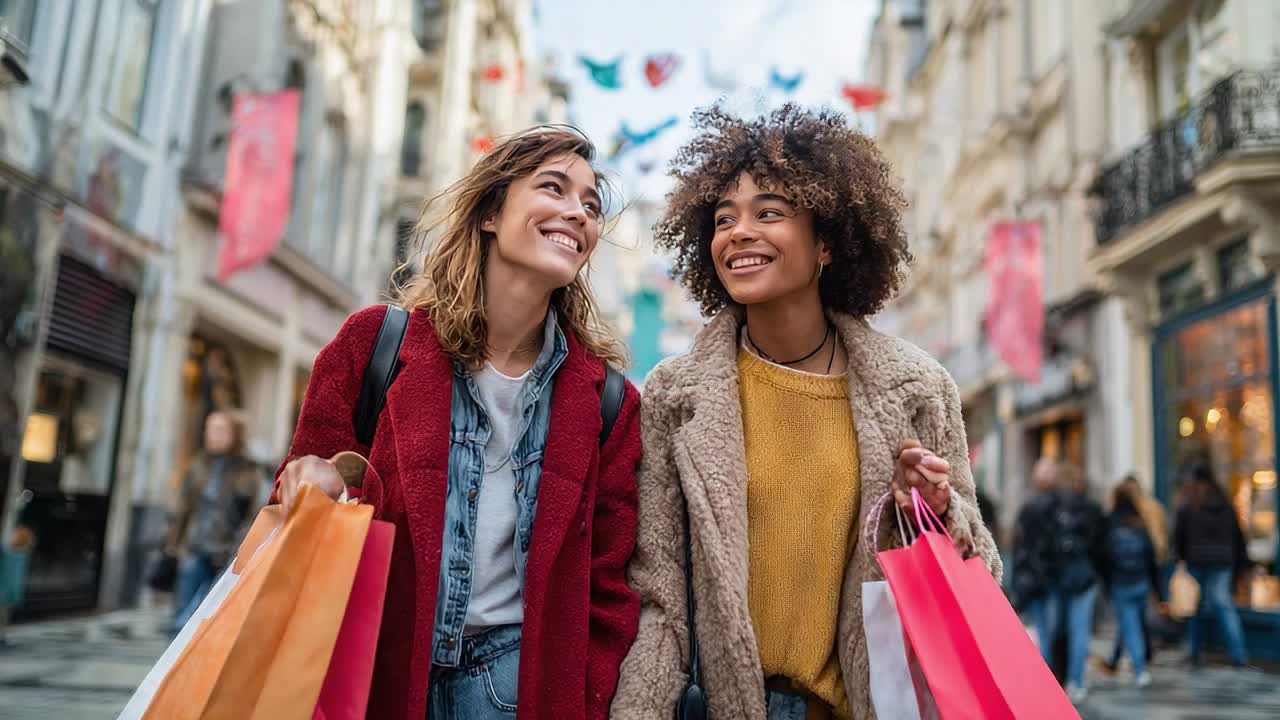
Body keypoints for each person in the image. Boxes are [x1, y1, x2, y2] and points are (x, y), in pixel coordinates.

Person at [610, 105, 1000, 719]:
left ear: (825, 244)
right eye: (723, 218)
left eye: (769, 213)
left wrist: (934, 509)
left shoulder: (917, 387)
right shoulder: (672, 394)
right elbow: (658, 596)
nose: (739, 231)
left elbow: (977, 574)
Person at [273, 127, 643, 720]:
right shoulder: (376, 346)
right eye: (554, 188)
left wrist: (585, 699)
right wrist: (314, 478)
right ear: (492, 211)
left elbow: (610, 587)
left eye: (591, 204)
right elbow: (296, 494)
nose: (577, 213)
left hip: (516, 688)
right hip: (371, 679)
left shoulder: (610, 403)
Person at [1015, 459, 1106, 703]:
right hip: (1079, 577)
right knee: (1076, 630)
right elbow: (1099, 544)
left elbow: (1033, 545)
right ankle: (1075, 681)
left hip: (1056, 577)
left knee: (1054, 630)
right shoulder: (1088, 507)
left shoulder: (1049, 507)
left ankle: (1054, 680)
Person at [165, 410, 263, 633]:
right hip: (194, 550)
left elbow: (253, 516)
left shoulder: (248, 470)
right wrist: (173, 545)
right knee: (181, 620)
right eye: (209, 429)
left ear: (234, 434)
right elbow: (183, 508)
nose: (211, 435)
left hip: (228, 556)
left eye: (219, 430)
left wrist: (239, 553)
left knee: (211, 623)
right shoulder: (198, 465)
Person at [1173, 463, 1250, 667]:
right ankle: (1237, 653)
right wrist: (1241, 562)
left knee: (1196, 607)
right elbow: (1237, 535)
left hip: (1197, 561)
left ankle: (1195, 651)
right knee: (1222, 605)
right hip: (1222, 561)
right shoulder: (1224, 503)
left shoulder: (1189, 504)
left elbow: (1179, 535)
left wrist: (1179, 557)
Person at [1099, 473, 1167, 675]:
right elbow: (1153, 548)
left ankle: (1140, 667)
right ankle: (1119, 658)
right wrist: (1158, 587)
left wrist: (1106, 581)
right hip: (1142, 577)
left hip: (1122, 581)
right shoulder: (1142, 518)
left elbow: (1104, 556)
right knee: (1132, 620)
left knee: (1130, 622)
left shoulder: (1110, 521)